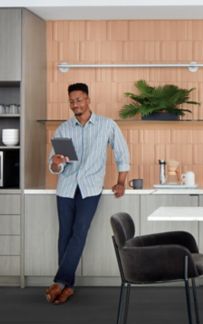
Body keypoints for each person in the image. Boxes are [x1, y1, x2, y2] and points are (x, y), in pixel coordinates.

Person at [46, 83, 129, 304]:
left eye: (79, 99)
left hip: (90, 189)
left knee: (79, 231)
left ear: (88, 99)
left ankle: (59, 282)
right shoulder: (64, 129)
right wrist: (55, 163)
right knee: (65, 234)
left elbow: (122, 153)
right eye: (72, 101)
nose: (76, 104)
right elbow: (55, 166)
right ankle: (67, 286)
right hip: (65, 188)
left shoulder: (106, 125)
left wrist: (121, 182)